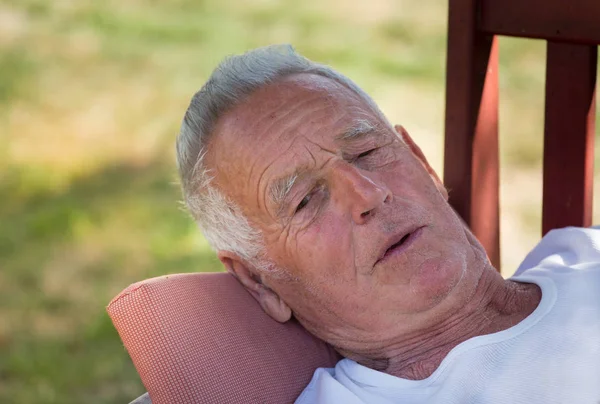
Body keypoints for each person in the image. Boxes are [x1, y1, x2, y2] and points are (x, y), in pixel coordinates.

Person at [175, 45, 600, 403]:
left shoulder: (581, 254)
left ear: (423, 163)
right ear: (259, 281)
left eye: (366, 152)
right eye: (305, 200)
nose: (369, 195)